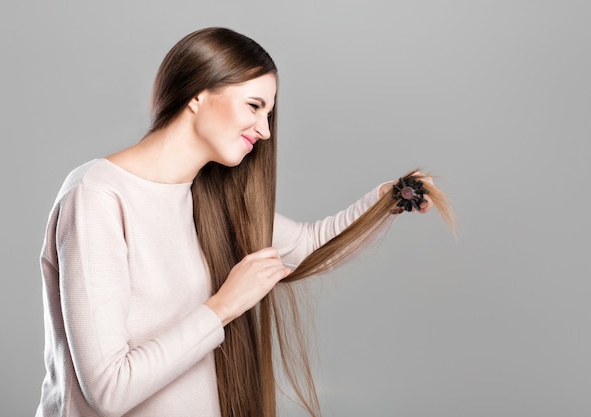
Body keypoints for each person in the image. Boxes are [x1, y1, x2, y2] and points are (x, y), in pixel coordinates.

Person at [36, 27, 451, 417]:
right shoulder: (97, 195)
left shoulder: (208, 198)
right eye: (254, 106)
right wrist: (225, 306)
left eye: (268, 113)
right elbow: (108, 390)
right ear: (197, 94)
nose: (265, 130)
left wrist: (382, 203)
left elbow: (309, 246)